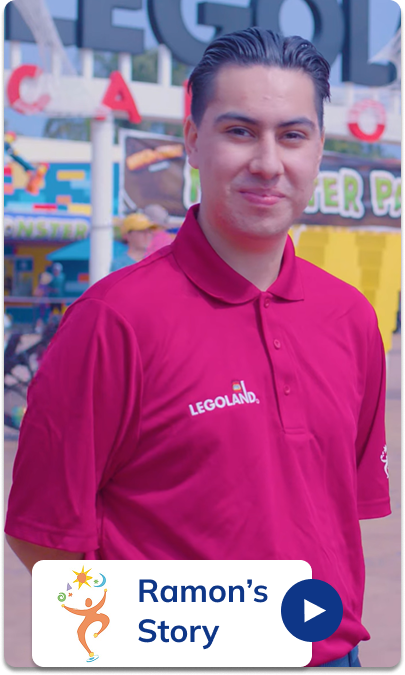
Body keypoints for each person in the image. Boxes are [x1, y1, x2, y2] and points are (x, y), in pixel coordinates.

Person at [6, 28, 390, 668]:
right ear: (191, 140)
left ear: (319, 148)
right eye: (240, 131)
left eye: (292, 135)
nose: (268, 162)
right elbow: (41, 538)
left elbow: (330, 510)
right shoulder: (112, 321)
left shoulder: (350, 319)